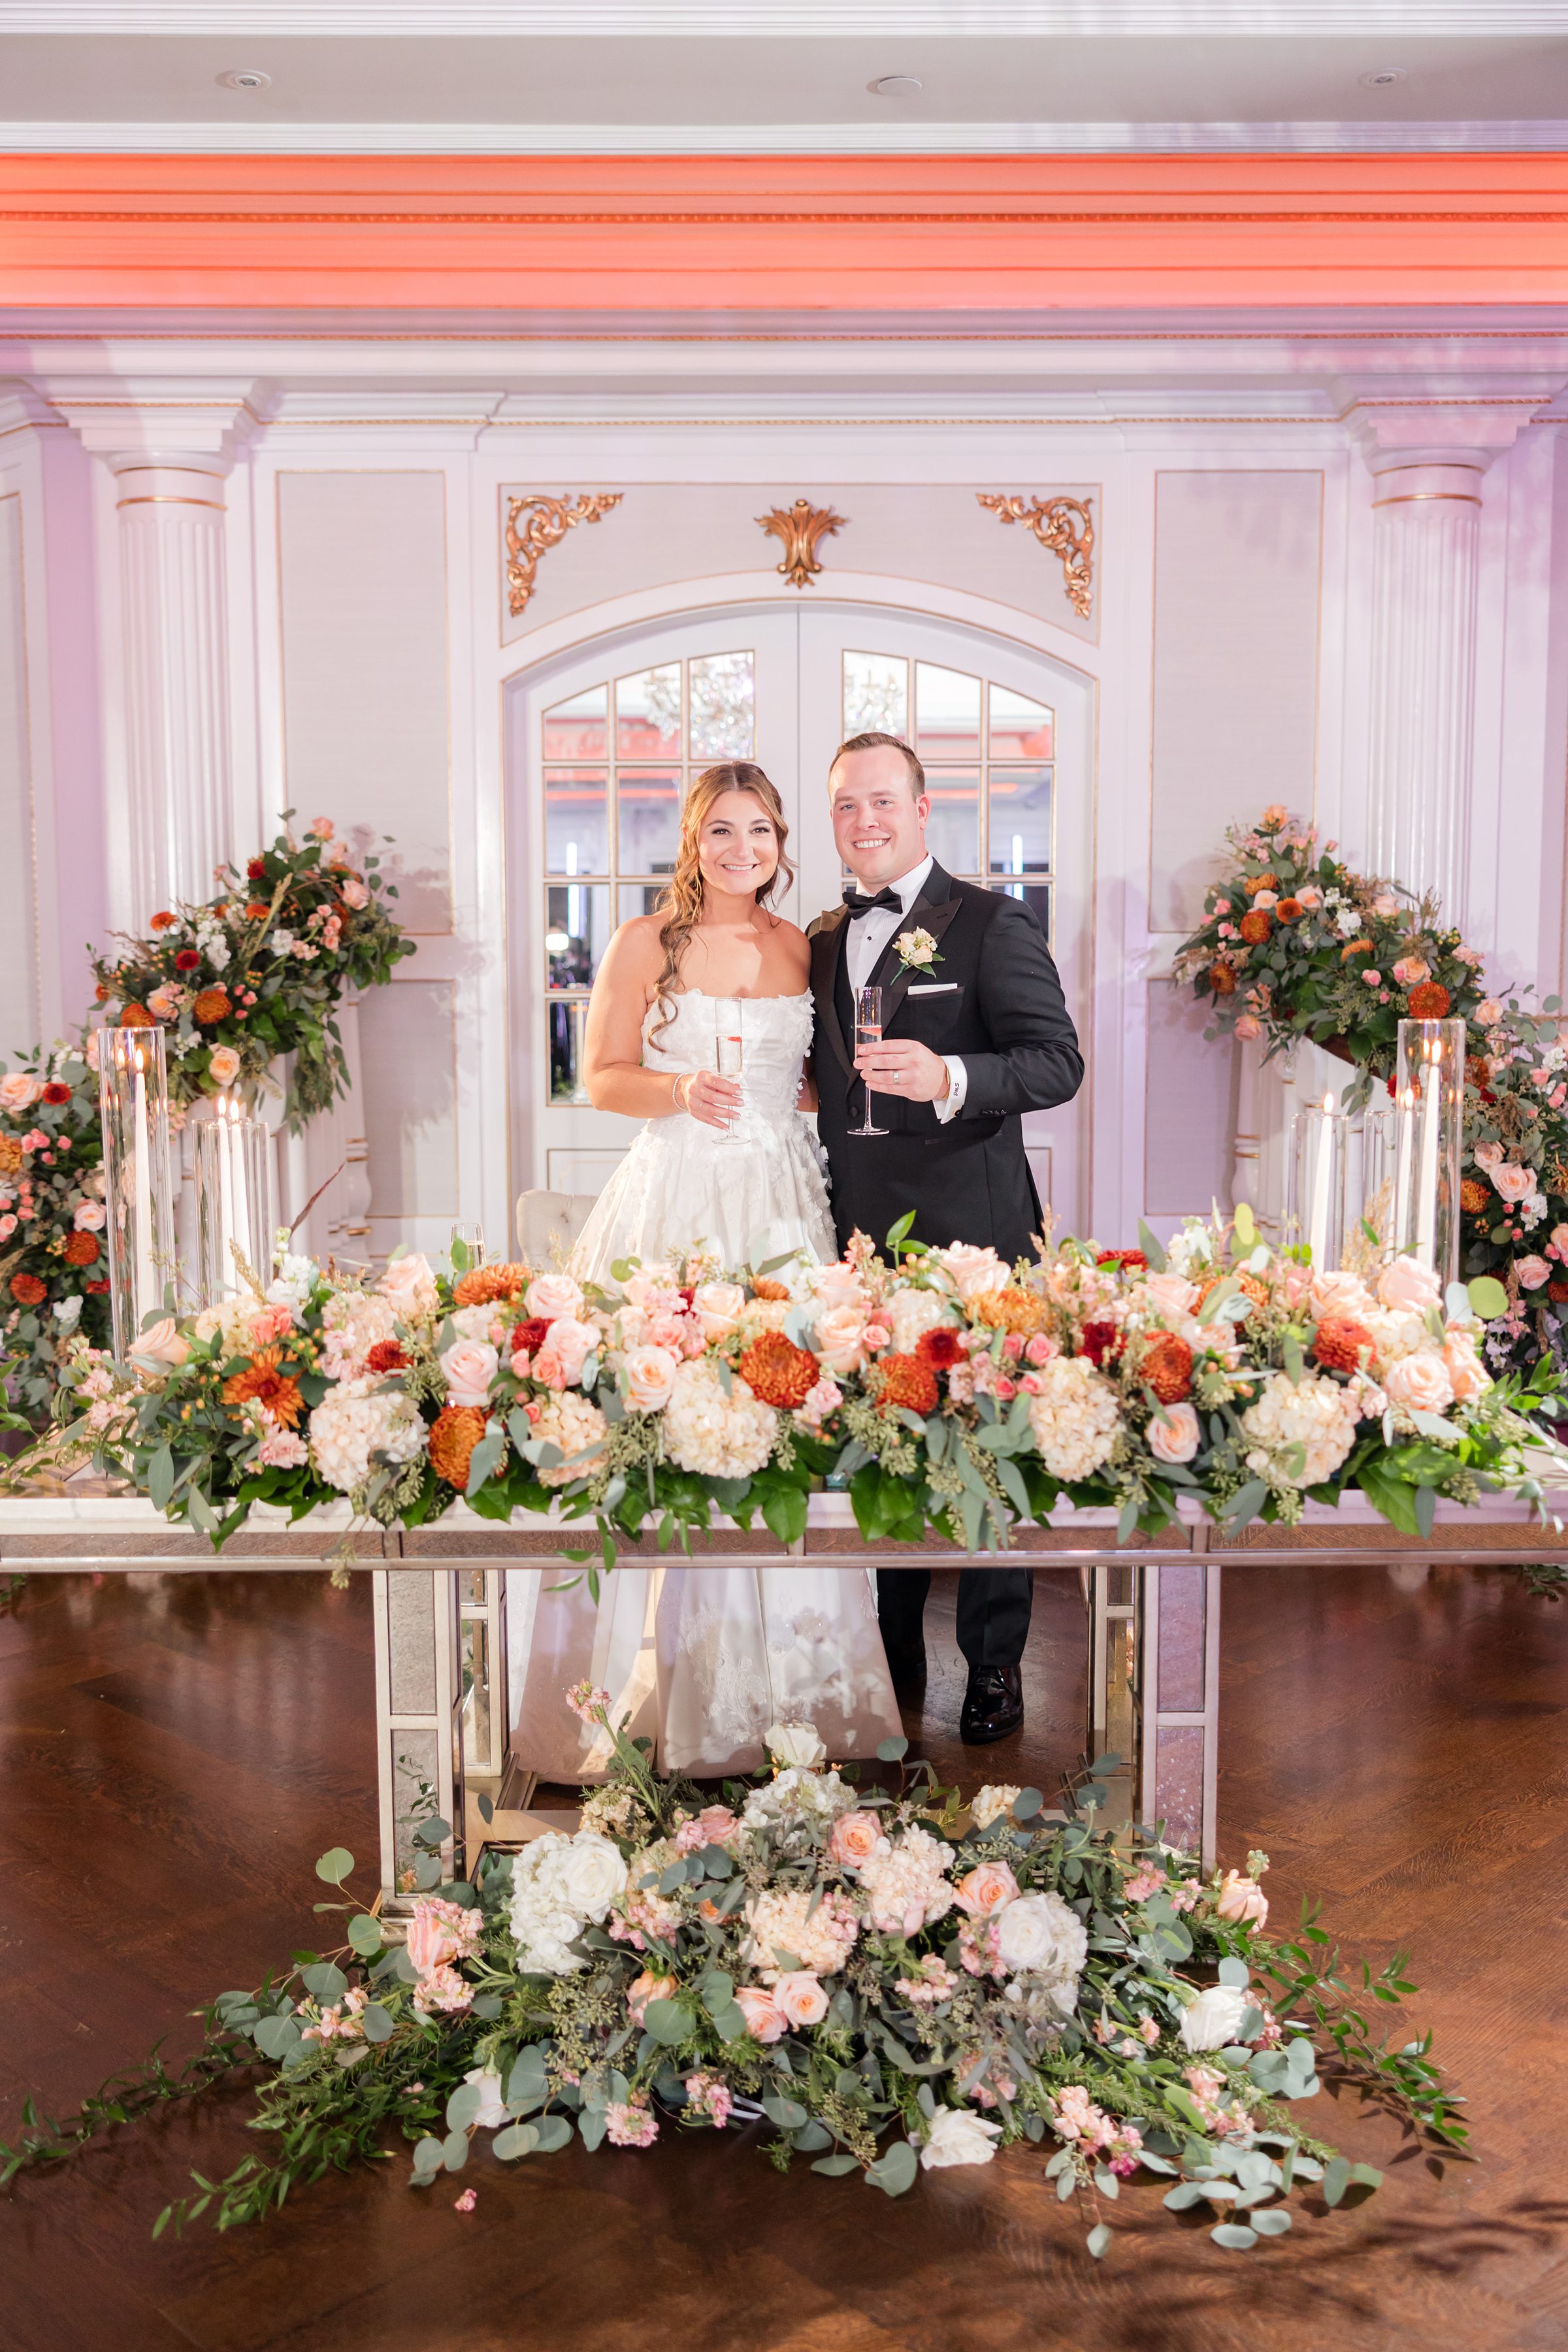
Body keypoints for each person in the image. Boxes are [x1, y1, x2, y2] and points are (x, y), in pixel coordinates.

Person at [509, 761, 901, 1784]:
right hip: (675, 1196)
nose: (742, 850)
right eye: (722, 831)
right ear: (694, 840)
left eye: (761, 831)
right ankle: (636, 1693)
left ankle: (793, 1698)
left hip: (780, 1200)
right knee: (654, 1423)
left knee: (785, 1422)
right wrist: (679, 1087)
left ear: (781, 842)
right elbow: (599, 1076)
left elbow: (819, 1079)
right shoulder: (648, 941)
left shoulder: (800, 947)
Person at [809, 730, 1085, 1745]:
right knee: (879, 1449)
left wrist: (951, 1078)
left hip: (977, 1240)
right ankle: (890, 1658)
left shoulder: (992, 923)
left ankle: (997, 1667)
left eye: (883, 801)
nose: (866, 821)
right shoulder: (822, 935)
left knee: (982, 1457)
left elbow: (1056, 1064)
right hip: (859, 1244)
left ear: (924, 810)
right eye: (846, 805)